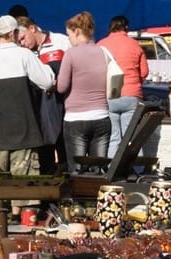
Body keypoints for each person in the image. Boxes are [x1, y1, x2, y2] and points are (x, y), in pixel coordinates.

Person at [0, 15, 54, 224]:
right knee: (24, 188)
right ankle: (23, 224)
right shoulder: (24, 55)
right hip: (24, 131)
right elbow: (47, 81)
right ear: (13, 34)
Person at [56, 11, 111, 173]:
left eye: (69, 34)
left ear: (77, 31)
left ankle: (79, 198)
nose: (69, 39)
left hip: (76, 119)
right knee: (99, 169)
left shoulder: (71, 54)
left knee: (77, 172)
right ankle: (98, 198)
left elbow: (62, 87)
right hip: (102, 116)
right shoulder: (104, 52)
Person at [17, 16, 71, 175]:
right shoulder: (24, 53)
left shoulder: (61, 41)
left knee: (64, 148)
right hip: (38, 108)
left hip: (63, 104)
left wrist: (58, 83)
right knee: (44, 151)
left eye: (23, 38)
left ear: (32, 29)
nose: (22, 43)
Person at [97, 15, 149, 159]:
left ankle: (112, 171)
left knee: (113, 138)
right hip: (131, 96)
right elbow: (144, 72)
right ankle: (136, 172)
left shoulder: (101, 45)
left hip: (108, 96)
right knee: (132, 138)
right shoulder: (134, 44)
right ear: (126, 27)